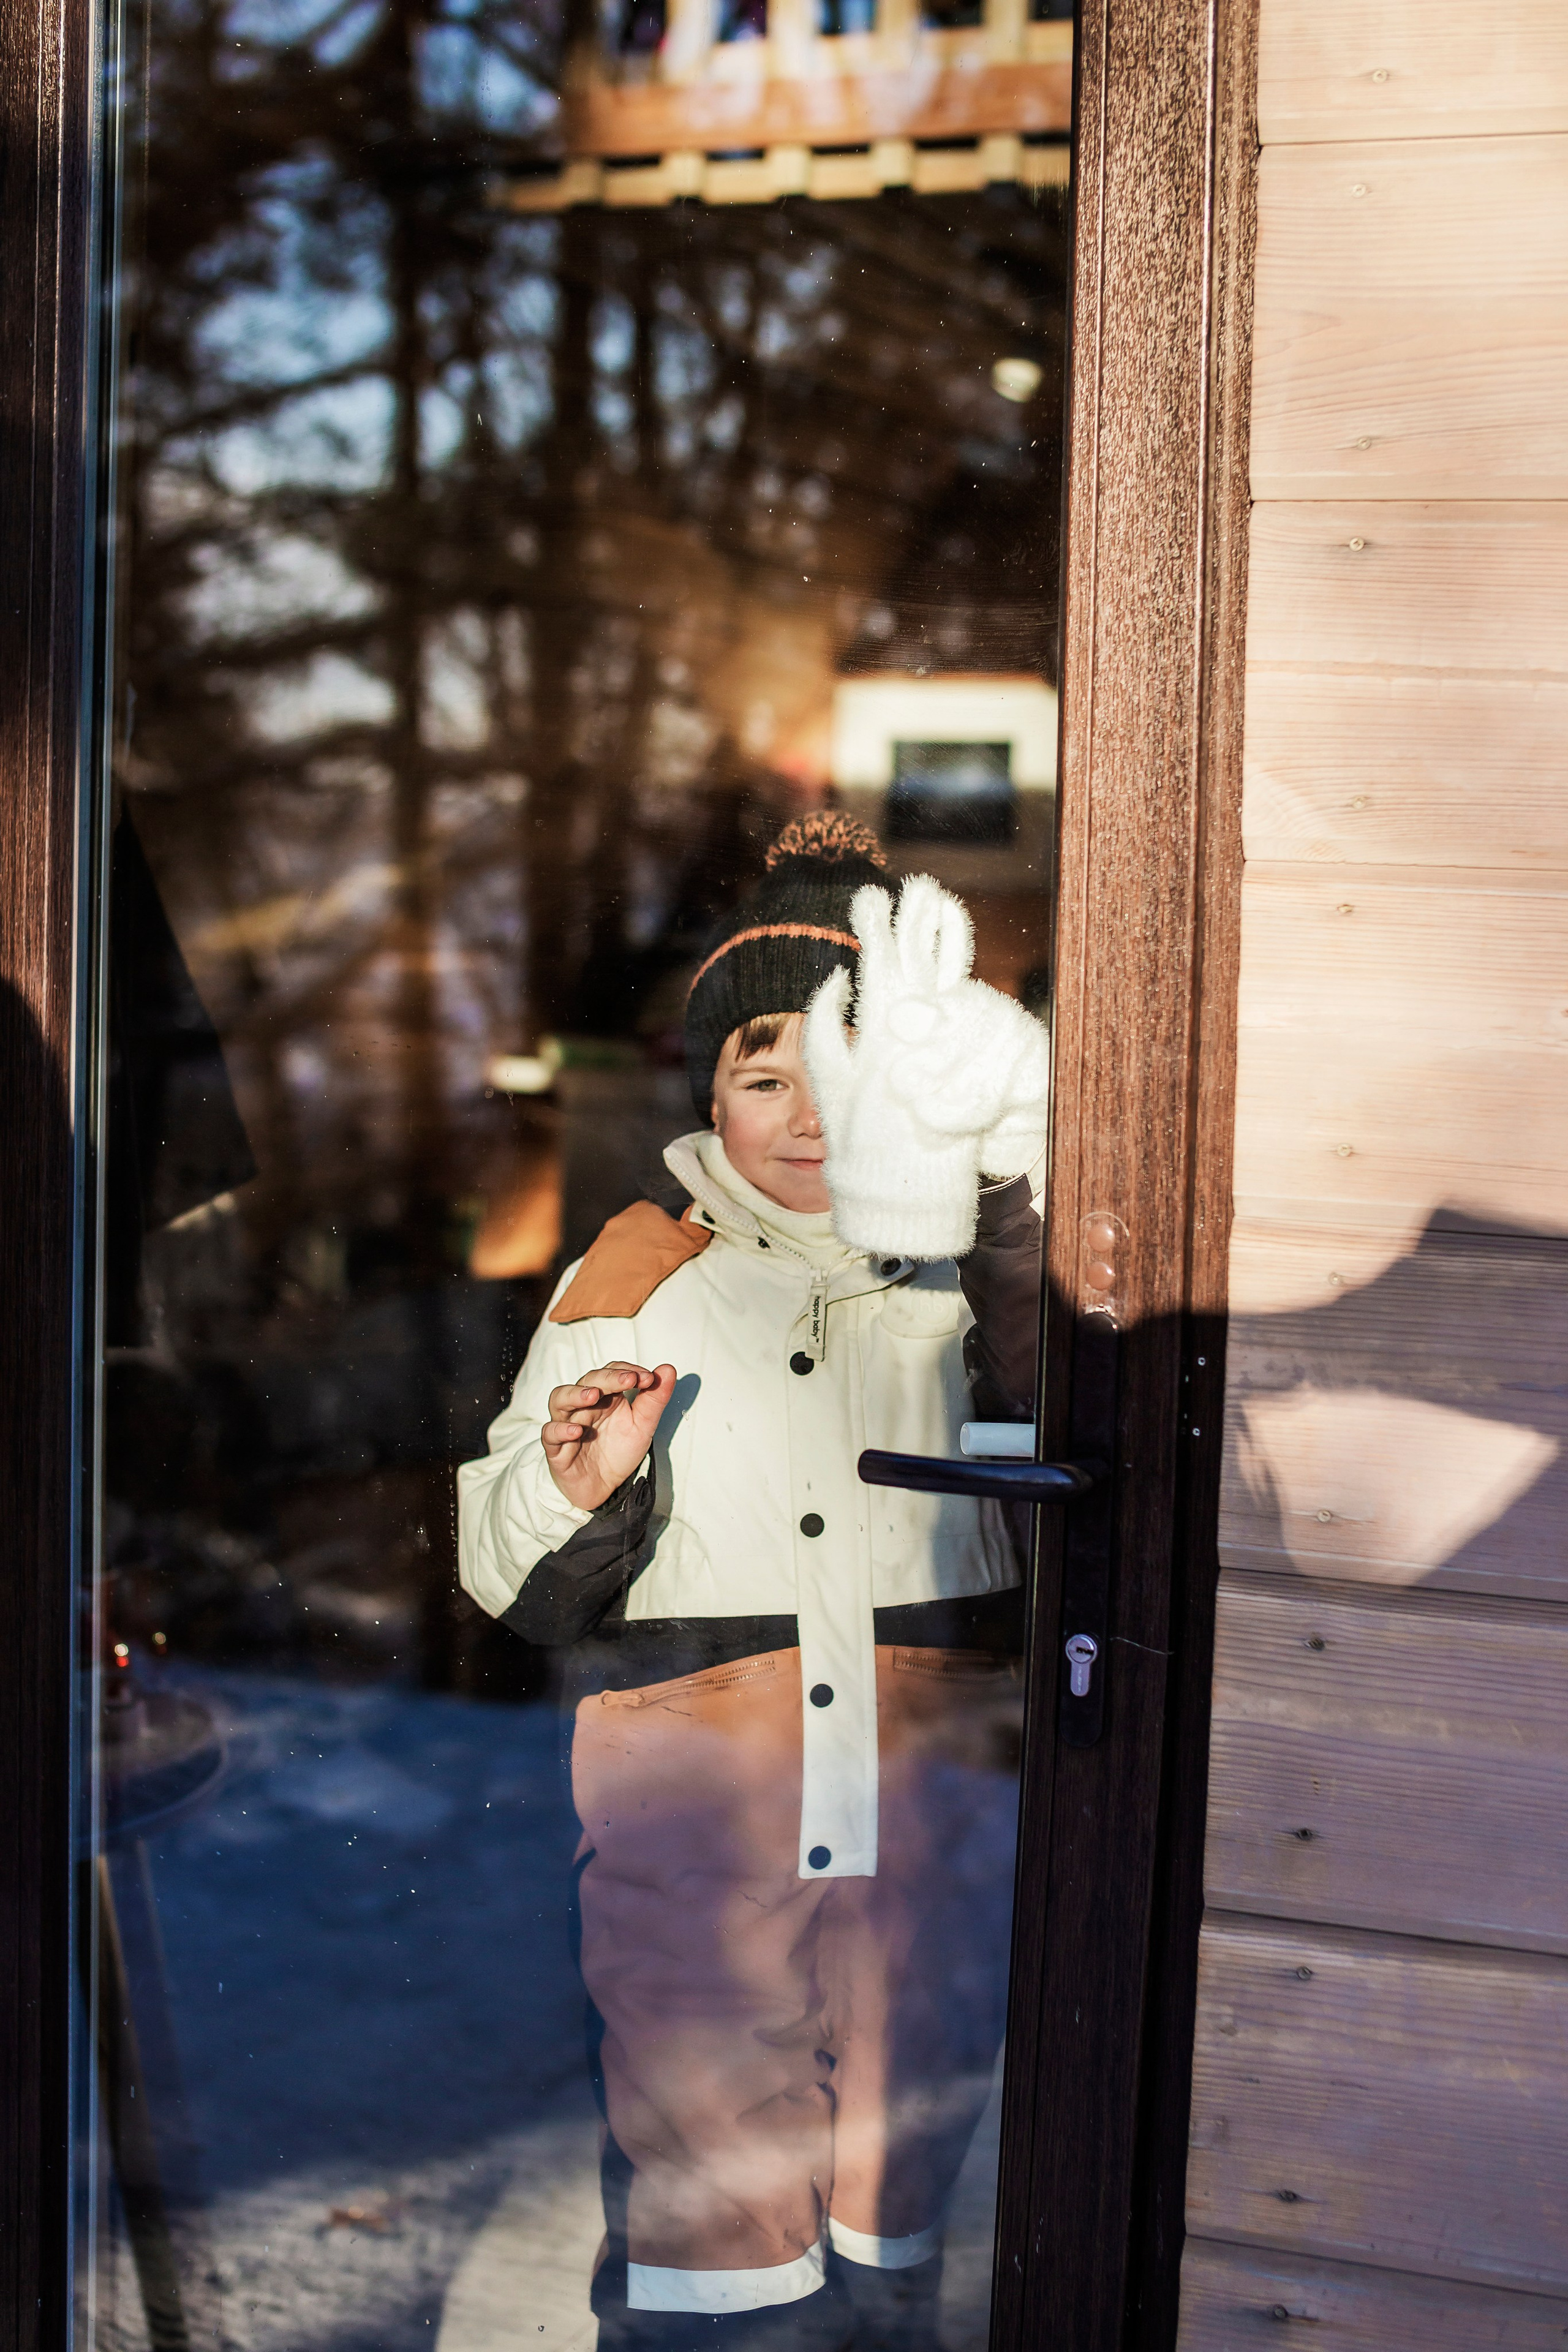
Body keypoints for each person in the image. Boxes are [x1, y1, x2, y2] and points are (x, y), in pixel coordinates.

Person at [458, 813, 1049, 2352]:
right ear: (710, 1087)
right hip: (700, 1826)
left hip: (927, 1812)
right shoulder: (636, 1273)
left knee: (892, 2199)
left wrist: (995, 1194)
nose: (799, 1115)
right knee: (710, 2221)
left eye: (835, 1070)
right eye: (759, 1072)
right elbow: (503, 1565)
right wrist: (578, 1484)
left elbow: (1080, 1432)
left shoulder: (969, 1262)